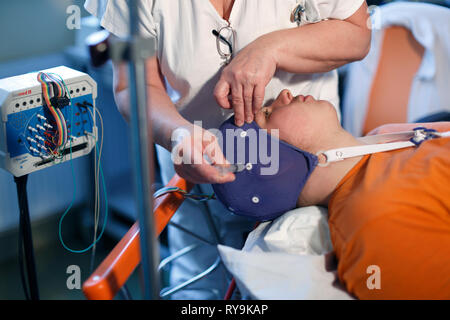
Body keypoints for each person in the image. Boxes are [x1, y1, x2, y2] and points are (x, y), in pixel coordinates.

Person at [84, 0, 371, 299]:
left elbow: (358, 35)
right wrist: (177, 134)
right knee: (198, 287)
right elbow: (132, 86)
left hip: (308, 178)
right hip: (196, 166)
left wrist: (271, 48)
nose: (283, 96)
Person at [215, 89, 450, 299]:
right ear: (277, 165)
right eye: (267, 115)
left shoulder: (388, 136)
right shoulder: (378, 217)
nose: (284, 94)